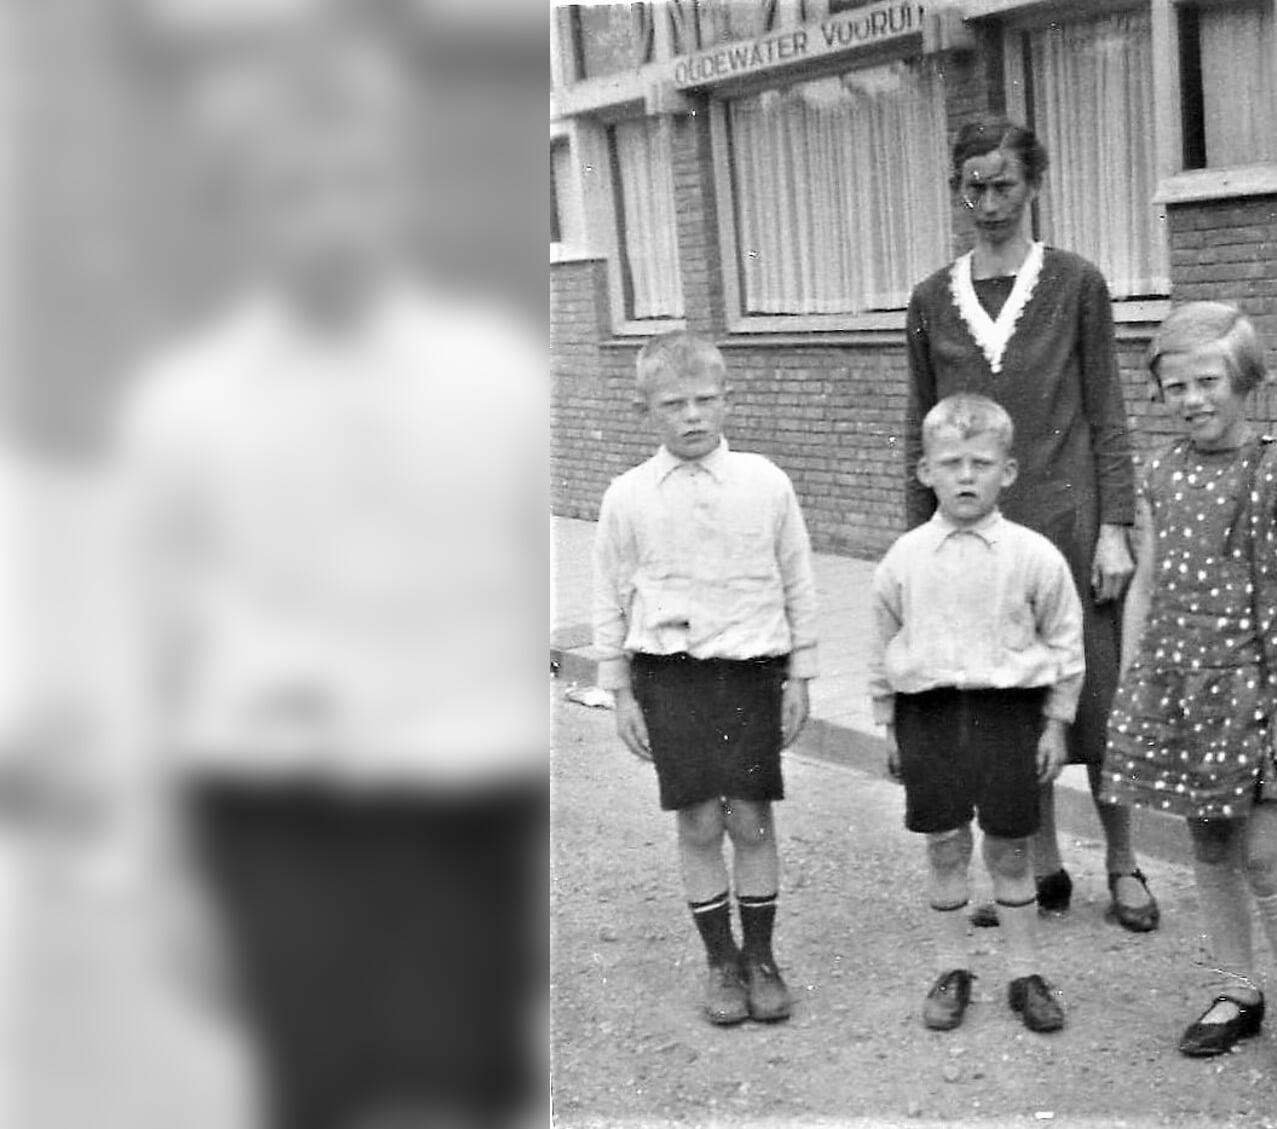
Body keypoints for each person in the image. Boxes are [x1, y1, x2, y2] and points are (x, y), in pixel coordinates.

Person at [114, 26, 549, 1129]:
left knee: (459, 1087)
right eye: (292, 188)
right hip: (276, 809)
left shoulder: (491, 382)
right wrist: (166, 872)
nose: (328, 215)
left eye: (354, 180)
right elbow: (155, 643)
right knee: (313, 1089)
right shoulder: (187, 407)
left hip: (459, 798)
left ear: (394, 187)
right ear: (249, 209)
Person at [904, 118, 1157, 932]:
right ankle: (1044, 862)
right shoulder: (930, 300)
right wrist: (920, 546)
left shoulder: (1077, 283)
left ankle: (1123, 861)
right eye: (972, 186)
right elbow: (921, 423)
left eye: (1003, 184)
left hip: (1070, 522)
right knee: (1015, 696)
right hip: (979, 534)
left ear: (1033, 185)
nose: (988, 202)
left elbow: (1108, 412)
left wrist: (1116, 522)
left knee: (1100, 701)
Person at [1106, 303, 1277, 1096]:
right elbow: (1147, 580)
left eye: (1208, 380)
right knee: (1208, 848)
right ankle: (1238, 987)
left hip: (1257, 689)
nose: (1193, 398)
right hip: (1181, 693)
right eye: (1175, 386)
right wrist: (1135, 679)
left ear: (1244, 379)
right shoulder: (1161, 471)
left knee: (1267, 854)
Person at [591, 331, 819, 1028]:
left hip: (751, 671)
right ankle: (720, 961)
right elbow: (608, 594)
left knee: (750, 817)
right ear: (645, 411)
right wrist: (621, 690)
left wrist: (801, 673)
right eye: (672, 404)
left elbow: (798, 580)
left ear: (727, 401)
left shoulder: (765, 482)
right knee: (697, 819)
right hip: (672, 677)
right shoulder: (628, 497)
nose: (691, 416)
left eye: (703, 401)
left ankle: (761, 957)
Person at [872, 394, 1084, 1034]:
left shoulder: (1034, 555)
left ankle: (1024, 972)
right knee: (943, 845)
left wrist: (1056, 722)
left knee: (1011, 850)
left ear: (1009, 472)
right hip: (929, 717)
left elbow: (1066, 641)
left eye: (982, 463)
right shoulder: (904, 558)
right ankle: (952, 966)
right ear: (925, 471)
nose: (966, 476)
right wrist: (887, 723)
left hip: (1007, 717)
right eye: (951, 463)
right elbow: (880, 644)